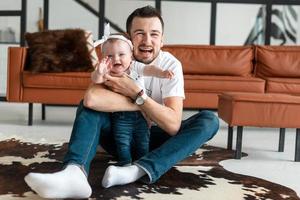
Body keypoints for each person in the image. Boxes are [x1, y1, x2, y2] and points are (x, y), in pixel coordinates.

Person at [24, 5, 219, 199]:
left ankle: (136, 171)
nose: (147, 41)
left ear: (162, 39)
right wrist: (139, 102)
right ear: (128, 38)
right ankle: (74, 173)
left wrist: (136, 93)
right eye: (140, 33)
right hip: (119, 134)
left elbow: (173, 125)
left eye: (154, 34)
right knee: (87, 107)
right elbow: (91, 100)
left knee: (209, 120)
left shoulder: (170, 65)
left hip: (156, 139)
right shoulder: (115, 59)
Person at [92, 30, 174, 166]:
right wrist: (99, 72)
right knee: (122, 139)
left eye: (122, 54)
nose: (116, 59)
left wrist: (162, 73)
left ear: (131, 55)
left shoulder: (134, 67)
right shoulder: (107, 71)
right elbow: (95, 79)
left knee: (143, 140)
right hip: (120, 117)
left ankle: (141, 162)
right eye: (110, 56)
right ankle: (125, 162)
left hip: (142, 115)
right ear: (104, 58)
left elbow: (150, 70)